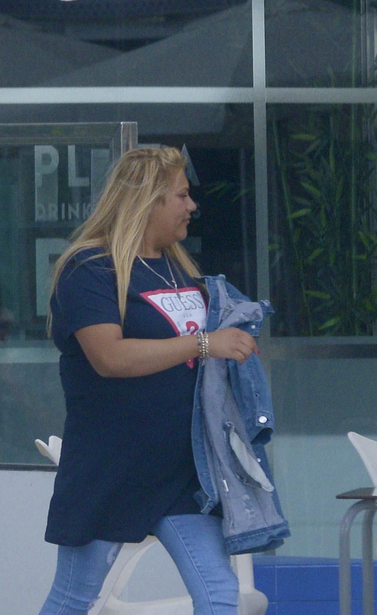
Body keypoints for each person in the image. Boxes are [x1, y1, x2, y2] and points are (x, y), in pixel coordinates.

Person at [38, 146, 259, 615]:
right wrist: (205, 343)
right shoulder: (89, 269)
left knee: (220, 595)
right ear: (148, 199)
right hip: (111, 468)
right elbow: (109, 357)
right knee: (75, 597)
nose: (191, 205)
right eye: (181, 195)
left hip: (183, 469)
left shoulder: (180, 269)